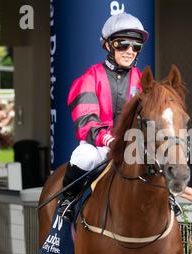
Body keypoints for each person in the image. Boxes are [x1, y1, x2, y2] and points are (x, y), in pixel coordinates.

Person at [57, 13, 149, 219]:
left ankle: (167, 201)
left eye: (136, 47)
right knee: (84, 157)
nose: (129, 51)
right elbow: (86, 120)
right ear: (108, 45)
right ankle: (67, 200)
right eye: (122, 44)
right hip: (99, 147)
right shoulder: (89, 78)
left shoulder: (142, 81)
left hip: (130, 148)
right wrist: (108, 140)